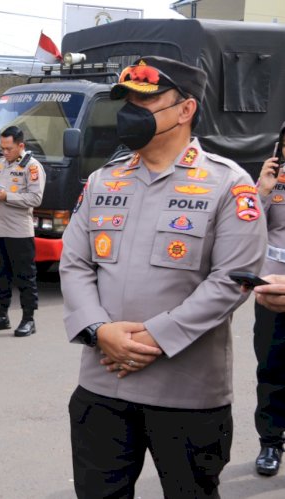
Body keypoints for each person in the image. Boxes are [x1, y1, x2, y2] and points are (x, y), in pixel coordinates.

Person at [60, 56, 267, 498]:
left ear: (185, 109)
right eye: (127, 100)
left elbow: (233, 281)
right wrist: (99, 331)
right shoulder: (103, 181)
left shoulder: (228, 185)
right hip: (103, 385)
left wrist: (153, 337)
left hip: (186, 394)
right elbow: (75, 264)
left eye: (144, 100)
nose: (130, 110)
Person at [0, 126, 45, 337]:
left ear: (21, 146)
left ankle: (28, 319)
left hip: (19, 232)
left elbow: (36, 199)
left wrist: (8, 196)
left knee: (25, 277)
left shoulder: (32, 167)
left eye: (9, 148)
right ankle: (2, 316)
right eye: (2, 148)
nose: (5, 152)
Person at [251, 122, 285, 475]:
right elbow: (245, 226)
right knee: (271, 369)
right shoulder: (272, 185)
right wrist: (262, 189)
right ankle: (271, 443)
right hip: (271, 293)